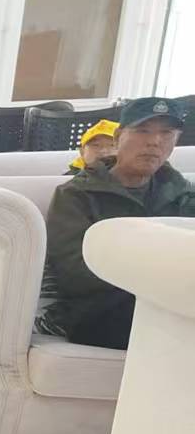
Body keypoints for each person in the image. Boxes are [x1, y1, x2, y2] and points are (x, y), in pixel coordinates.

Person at [40, 98, 193, 349]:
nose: (154, 141)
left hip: (171, 306)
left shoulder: (182, 193)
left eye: (166, 133)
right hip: (101, 311)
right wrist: (158, 278)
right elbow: (75, 272)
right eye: (143, 130)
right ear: (119, 137)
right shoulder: (77, 195)